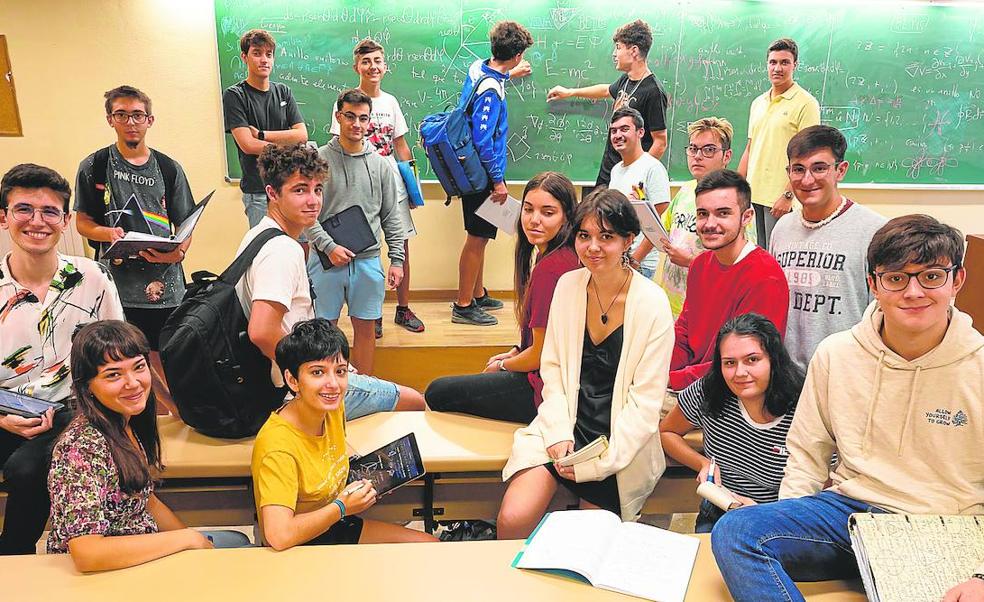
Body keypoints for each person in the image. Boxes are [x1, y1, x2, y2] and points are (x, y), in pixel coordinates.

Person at [712, 215, 984, 602]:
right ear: (873, 284)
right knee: (736, 530)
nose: (913, 292)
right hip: (849, 517)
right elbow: (807, 452)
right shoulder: (836, 354)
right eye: (895, 278)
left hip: (945, 526)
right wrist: (788, 525)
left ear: (956, 280)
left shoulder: (978, 367)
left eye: (931, 276)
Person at [497, 189, 674, 539]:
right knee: (513, 520)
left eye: (606, 236)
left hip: (617, 443)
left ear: (628, 240)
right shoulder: (569, 285)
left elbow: (646, 404)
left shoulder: (652, 303)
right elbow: (554, 371)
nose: (593, 247)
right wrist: (560, 434)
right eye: (584, 236)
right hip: (563, 426)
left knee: (588, 542)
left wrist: (600, 464)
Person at [238, 143, 422, 426]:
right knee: (415, 401)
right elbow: (262, 332)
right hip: (292, 390)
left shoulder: (258, 235)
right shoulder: (281, 251)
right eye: (299, 190)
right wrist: (311, 377)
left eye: (317, 189)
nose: (313, 201)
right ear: (272, 193)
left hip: (289, 374)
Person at [46, 321, 248, 571]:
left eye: (138, 367)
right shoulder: (81, 447)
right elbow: (88, 553)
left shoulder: (125, 421)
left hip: (140, 544)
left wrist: (193, 540)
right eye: (113, 375)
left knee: (239, 546)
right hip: (111, 571)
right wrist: (185, 539)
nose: (132, 383)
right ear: (86, 386)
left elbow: (145, 500)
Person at [0, 163, 125, 555]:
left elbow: (118, 353)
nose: (37, 221)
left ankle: (14, 555)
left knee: (26, 471)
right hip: (4, 410)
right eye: (23, 209)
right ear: (3, 217)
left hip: (76, 411)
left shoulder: (92, 279)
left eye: (50, 211)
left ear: (66, 220)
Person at [252, 318, 437, 549]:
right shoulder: (278, 446)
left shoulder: (330, 408)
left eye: (340, 371)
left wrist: (370, 480)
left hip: (333, 522)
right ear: (293, 380)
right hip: (301, 544)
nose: (333, 384)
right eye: (317, 372)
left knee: (430, 544)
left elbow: (334, 454)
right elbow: (279, 536)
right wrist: (342, 507)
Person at [75, 85, 196, 408]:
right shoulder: (94, 166)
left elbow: (186, 224)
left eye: (137, 115)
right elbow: (82, 221)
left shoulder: (169, 168)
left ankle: (175, 415)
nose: (130, 122)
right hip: (117, 285)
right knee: (126, 359)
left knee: (166, 355)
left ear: (150, 120)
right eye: (122, 115)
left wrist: (179, 252)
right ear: (110, 119)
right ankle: (143, 417)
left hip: (165, 284)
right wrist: (106, 233)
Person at [425, 172, 580, 423]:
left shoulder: (552, 268)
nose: (534, 220)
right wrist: (515, 351)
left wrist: (505, 366)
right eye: (528, 210)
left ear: (567, 218)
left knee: (437, 392)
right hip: (546, 376)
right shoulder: (552, 255)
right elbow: (539, 342)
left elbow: (540, 355)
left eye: (548, 213)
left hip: (544, 391)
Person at [659, 313, 804, 533]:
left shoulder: (803, 403)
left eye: (752, 360)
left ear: (773, 359)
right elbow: (667, 432)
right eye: (729, 363)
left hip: (783, 521)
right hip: (720, 512)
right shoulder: (709, 391)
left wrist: (765, 513)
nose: (740, 373)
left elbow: (824, 483)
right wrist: (702, 463)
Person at [770, 125, 886, 371]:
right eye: (798, 169)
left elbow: (882, 315)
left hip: (844, 373)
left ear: (840, 170)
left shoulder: (874, 231)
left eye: (819, 168)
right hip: (785, 376)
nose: (807, 179)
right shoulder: (782, 228)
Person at [329, 38, 424, 336]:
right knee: (363, 245)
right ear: (357, 66)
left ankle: (403, 308)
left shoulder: (391, 102)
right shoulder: (346, 103)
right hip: (360, 185)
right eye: (366, 61)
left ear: (385, 66)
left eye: (378, 61)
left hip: (391, 183)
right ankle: (371, 313)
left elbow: (401, 146)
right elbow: (339, 148)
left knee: (401, 244)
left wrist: (412, 187)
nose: (373, 67)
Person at [306, 89, 405, 376]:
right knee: (324, 332)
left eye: (363, 118)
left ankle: (366, 389)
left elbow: (391, 216)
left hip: (367, 261)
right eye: (350, 116)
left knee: (366, 330)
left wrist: (397, 260)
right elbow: (307, 215)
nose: (356, 124)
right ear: (338, 117)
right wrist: (328, 246)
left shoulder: (380, 164)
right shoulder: (318, 162)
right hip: (326, 261)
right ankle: (326, 392)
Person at [669, 169, 788, 394]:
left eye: (723, 213)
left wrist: (671, 380)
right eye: (703, 214)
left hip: (732, 393)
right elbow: (684, 331)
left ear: (747, 217)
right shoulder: (700, 265)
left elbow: (746, 363)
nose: (709, 224)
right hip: (690, 385)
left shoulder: (765, 277)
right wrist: (658, 369)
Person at [453, 21, 534, 327]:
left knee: (482, 236)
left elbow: (489, 80)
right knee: (476, 238)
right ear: (517, 55)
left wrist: (510, 75)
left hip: (471, 168)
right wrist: (497, 180)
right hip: (481, 173)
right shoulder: (491, 91)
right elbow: (483, 139)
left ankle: (477, 293)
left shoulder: (479, 68)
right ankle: (463, 305)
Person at [547, 19, 669, 186]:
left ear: (633, 51)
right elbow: (606, 90)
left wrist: (639, 174)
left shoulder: (653, 90)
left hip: (631, 177)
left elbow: (660, 142)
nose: (614, 53)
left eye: (618, 47)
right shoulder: (627, 79)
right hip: (609, 171)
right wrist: (570, 92)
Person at [737, 37, 820, 249]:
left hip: (780, 199)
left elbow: (807, 157)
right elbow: (750, 147)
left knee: (779, 259)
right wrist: (736, 188)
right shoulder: (758, 103)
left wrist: (787, 195)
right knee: (756, 255)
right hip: (753, 196)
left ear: (795, 65)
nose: (778, 68)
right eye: (773, 62)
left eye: (784, 62)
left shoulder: (806, 103)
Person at [223, 29, 308, 228]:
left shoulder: (283, 92)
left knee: (299, 247)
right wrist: (289, 147)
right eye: (257, 53)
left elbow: (302, 135)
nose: (264, 60)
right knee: (265, 250)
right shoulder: (235, 95)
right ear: (245, 57)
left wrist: (262, 134)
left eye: (269, 54)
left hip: (290, 185)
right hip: (259, 191)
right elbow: (248, 145)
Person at [654, 117, 734, 317]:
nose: (697, 156)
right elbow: (663, 232)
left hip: (704, 307)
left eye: (708, 150)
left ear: (726, 156)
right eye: (693, 149)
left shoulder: (733, 199)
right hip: (671, 303)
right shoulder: (685, 190)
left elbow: (739, 263)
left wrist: (691, 261)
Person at [605, 107, 670, 278]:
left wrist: (635, 259)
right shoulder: (615, 170)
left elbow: (659, 221)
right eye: (614, 131)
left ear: (640, 132)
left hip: (641, 265)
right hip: (619, 258)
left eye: (624, 129)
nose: (618, 135)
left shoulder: (652, 167)